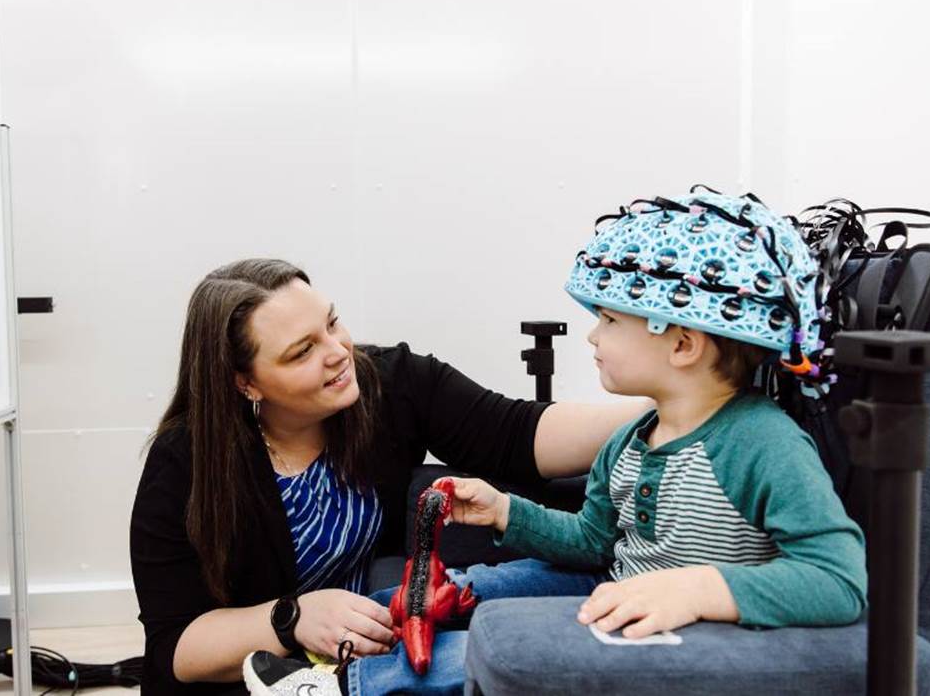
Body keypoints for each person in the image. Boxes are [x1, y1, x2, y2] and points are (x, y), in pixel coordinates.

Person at [241, 191, 868, 696]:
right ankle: (343, 643)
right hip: (616, 585)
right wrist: (505, 512)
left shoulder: (762, 444)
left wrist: (700, 590)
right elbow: (592, 543)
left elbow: (838, 582)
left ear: (682, 345)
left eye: (610, 321)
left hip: (694, 635)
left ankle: (345, 683)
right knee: (422, 598)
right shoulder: (631, 441)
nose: (593, 337)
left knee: (486, 642)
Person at [129, 258, 648, 694]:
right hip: (263, 673)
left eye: (332, 324)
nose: (337, 353)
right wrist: (291, 620)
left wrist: (672, 408)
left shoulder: (387, 382)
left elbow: (522, 434)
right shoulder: (186, 463)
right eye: (302, 351)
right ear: (246, 383)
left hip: (377, 643)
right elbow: (177, 648)